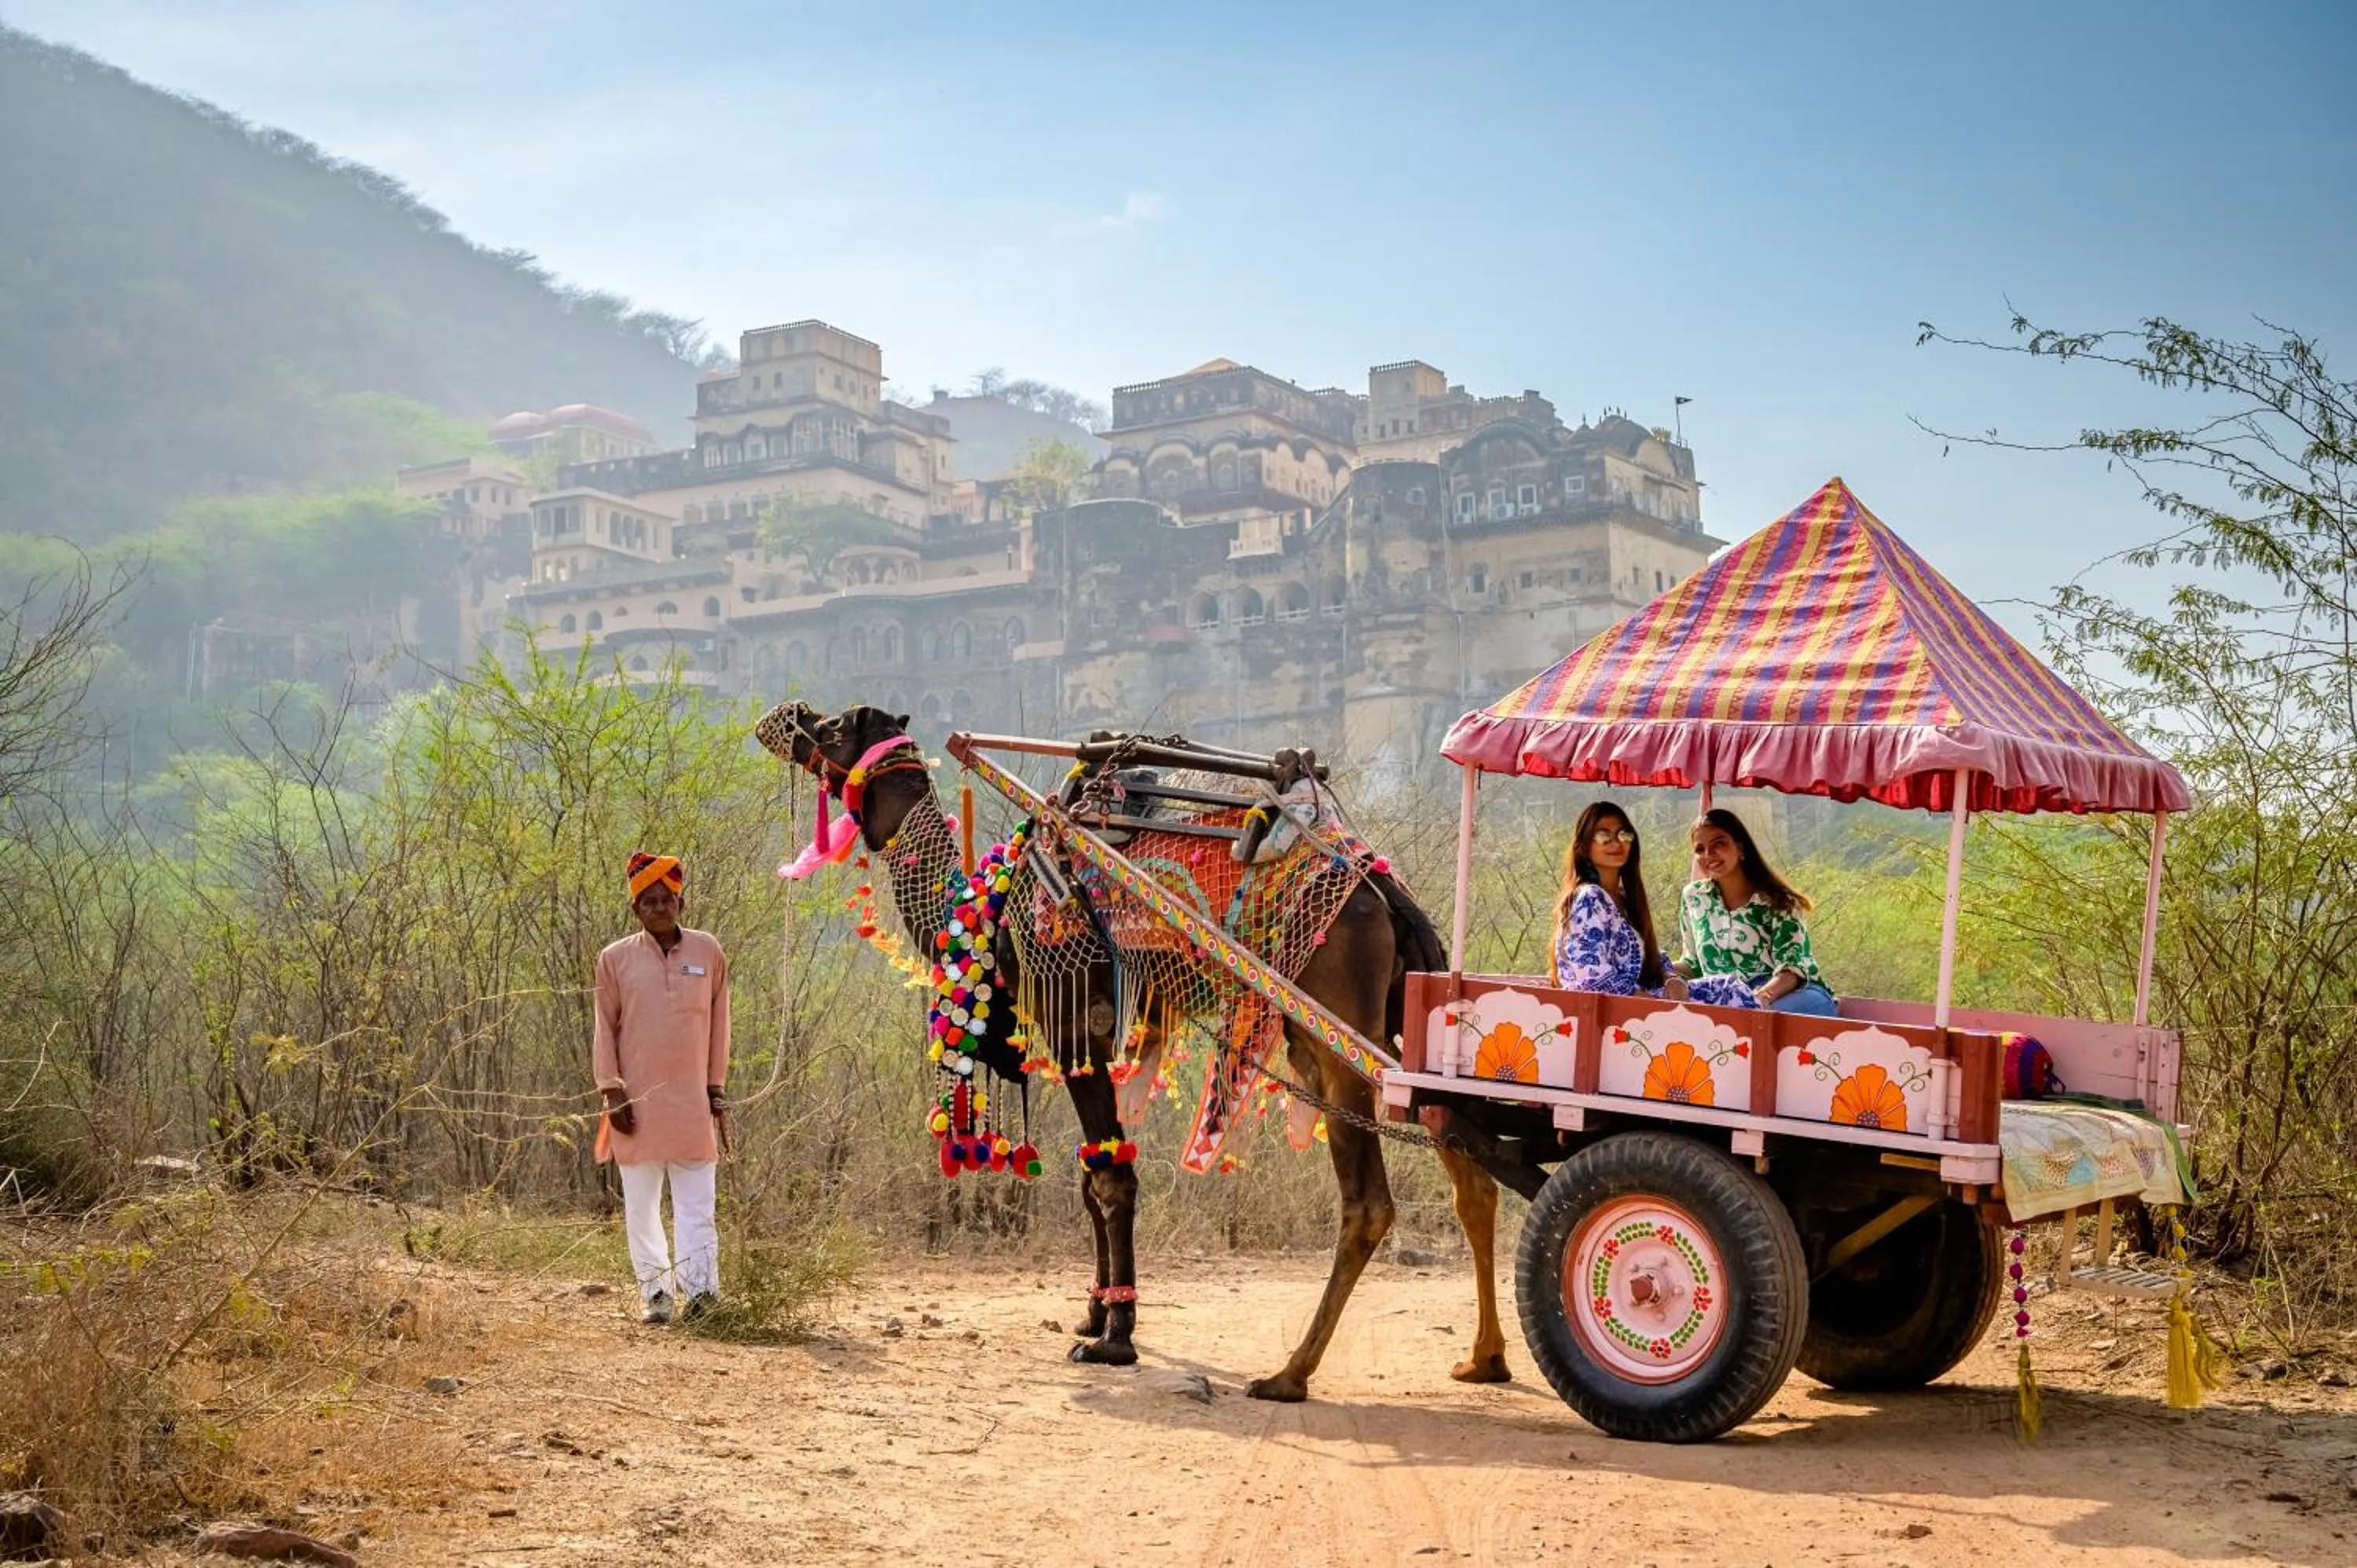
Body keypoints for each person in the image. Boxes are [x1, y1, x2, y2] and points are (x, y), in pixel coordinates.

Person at [594, 852, 731, 1324]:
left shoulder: (707, 952)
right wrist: (612, 1092)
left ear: (681, 902)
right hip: (635, 1105)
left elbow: (721, 1025)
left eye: (666, 899)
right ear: (636, 909)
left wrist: (716, 1087)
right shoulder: (614, 959)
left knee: (699, 1205)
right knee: (642, 1207)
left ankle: (702, 1295)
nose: (658, 907)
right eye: (648, 901)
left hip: (693, 1102)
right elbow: (604, 1028)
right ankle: (656, 1296)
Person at [1553, 802, 1758, 1008]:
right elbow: (1592, 980)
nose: (1616, 843)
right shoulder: (1589, 898)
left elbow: (1652, 959)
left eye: (1624, 835)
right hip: (1615, 1012)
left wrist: (1671, 978)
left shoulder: (1624, 901)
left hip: (1644, 1003)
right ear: (1584, 847)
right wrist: (1658, 1008)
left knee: (1728, 989)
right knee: (1731, 998)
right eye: (1604, 836)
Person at [1674, 808, 1840, 1017]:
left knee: (1751, 1019)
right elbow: (1693, 965)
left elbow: (1793, 970)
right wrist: (1652, 968)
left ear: (1740, 848)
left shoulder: (1779, 902)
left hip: (1786, 995)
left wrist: (1756, 1000)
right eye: (1700, 849)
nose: (1708, 855)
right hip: (1725, 999)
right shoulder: (1694, 898)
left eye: (1719, 844)